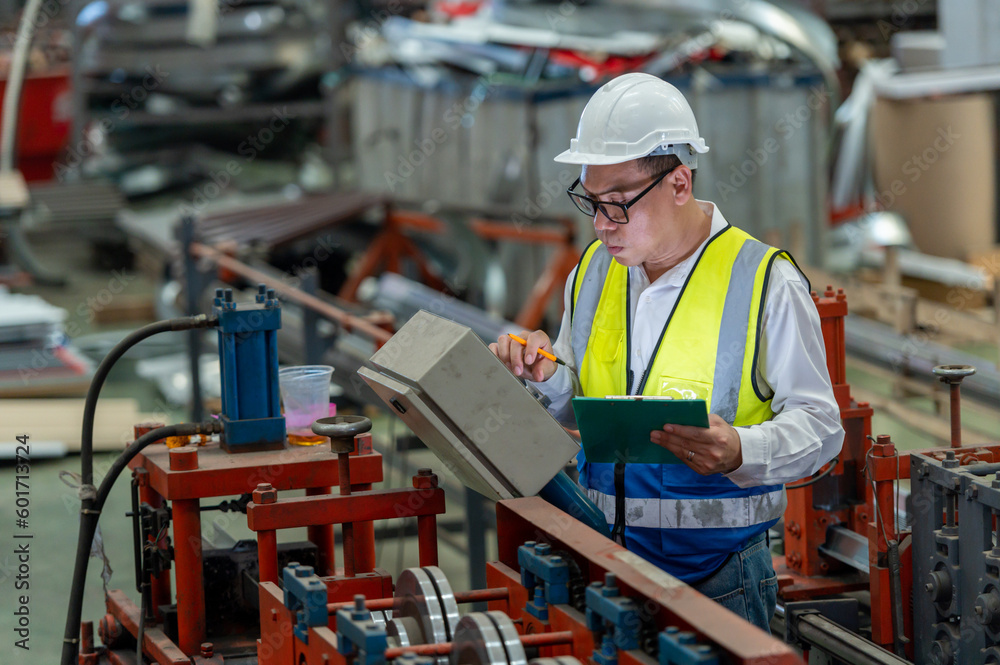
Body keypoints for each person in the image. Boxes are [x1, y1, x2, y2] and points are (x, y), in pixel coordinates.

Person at [489, 73, 844, 632]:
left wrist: (741, 450)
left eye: (618, 204)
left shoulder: (763, 281)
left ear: (679, 183)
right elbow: (578, 398)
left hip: (718, 579)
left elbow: (823, 429)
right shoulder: (593, 271)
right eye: (590, 201)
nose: (603, 225)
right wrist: (545, 374)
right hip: (603, 564)